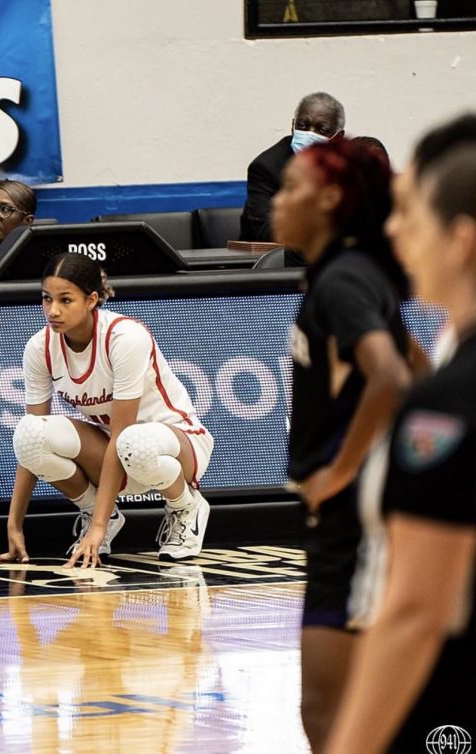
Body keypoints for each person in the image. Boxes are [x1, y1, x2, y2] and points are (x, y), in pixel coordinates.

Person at [325, 127, 476, 753]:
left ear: (462, 241)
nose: (392, 230)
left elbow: (416, 611)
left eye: (408, 213)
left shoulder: (449, 400)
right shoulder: (446, 359)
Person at [271, 138, 415, 753]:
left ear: (329, 199)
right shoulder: (348, 271)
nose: (277, 202)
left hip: (352, 516)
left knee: (327, 709)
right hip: (353, 515)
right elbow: (417, 366)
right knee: (343, 707)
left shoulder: (343, 278)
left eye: (291, 188)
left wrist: (341, 470)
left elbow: (391, 377)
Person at [0, 251, 214, 567]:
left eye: (66, 300)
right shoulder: (39, 347)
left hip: (178, 445)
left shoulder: (125, 337)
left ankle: (185, 505)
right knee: (30, 434)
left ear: (91, 300)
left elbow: (123, 434)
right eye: (47, 298)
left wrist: (96, 529)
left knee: (134, 442)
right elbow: (30, 446)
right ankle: (96, 510)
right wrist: (14, 526)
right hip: (114, 451)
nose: (53, 310)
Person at [240, 92, 345, 242]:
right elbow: (270, 232)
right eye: (302, 125)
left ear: (338, 138)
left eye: (321, 129)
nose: (310, 133)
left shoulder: (345, 166)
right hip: (271, 254)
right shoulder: (266, 167)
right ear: (292, 126)